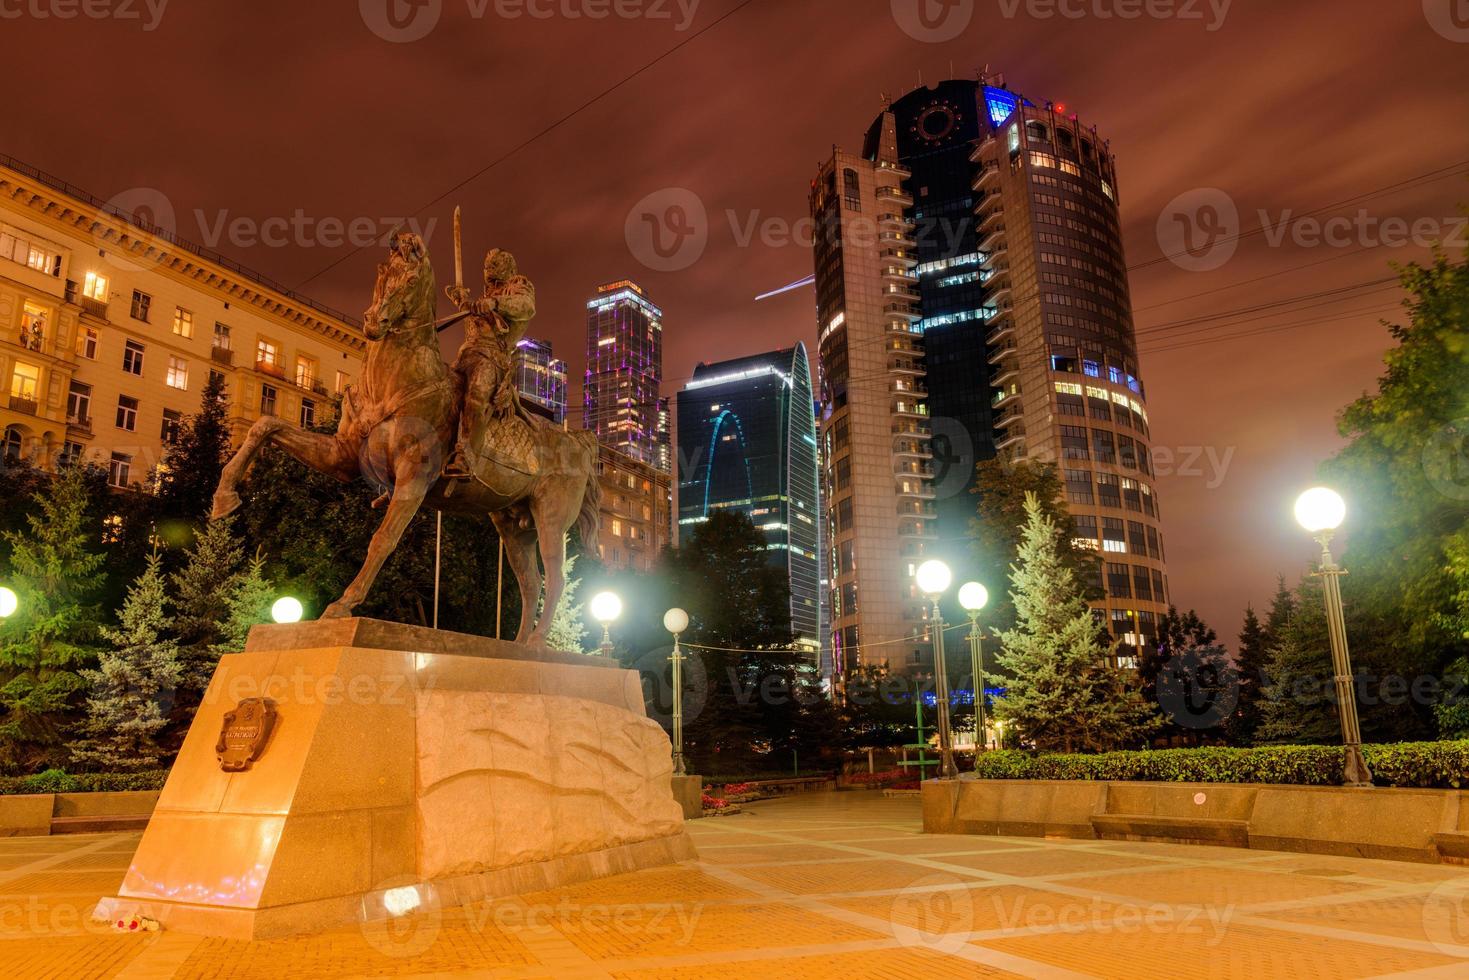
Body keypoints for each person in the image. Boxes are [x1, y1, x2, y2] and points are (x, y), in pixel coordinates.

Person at [443, 248, 536, 478]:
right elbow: (474, 318)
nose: (488, 270)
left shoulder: (517, 287)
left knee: (476, 395)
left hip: (493, 358)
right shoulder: (484, 296)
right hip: (466, 355)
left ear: (507, 268)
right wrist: (462, 301)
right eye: (486, 266)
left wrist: (495, 303)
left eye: (494, 266)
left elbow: (526, 306)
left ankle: (466, 456)